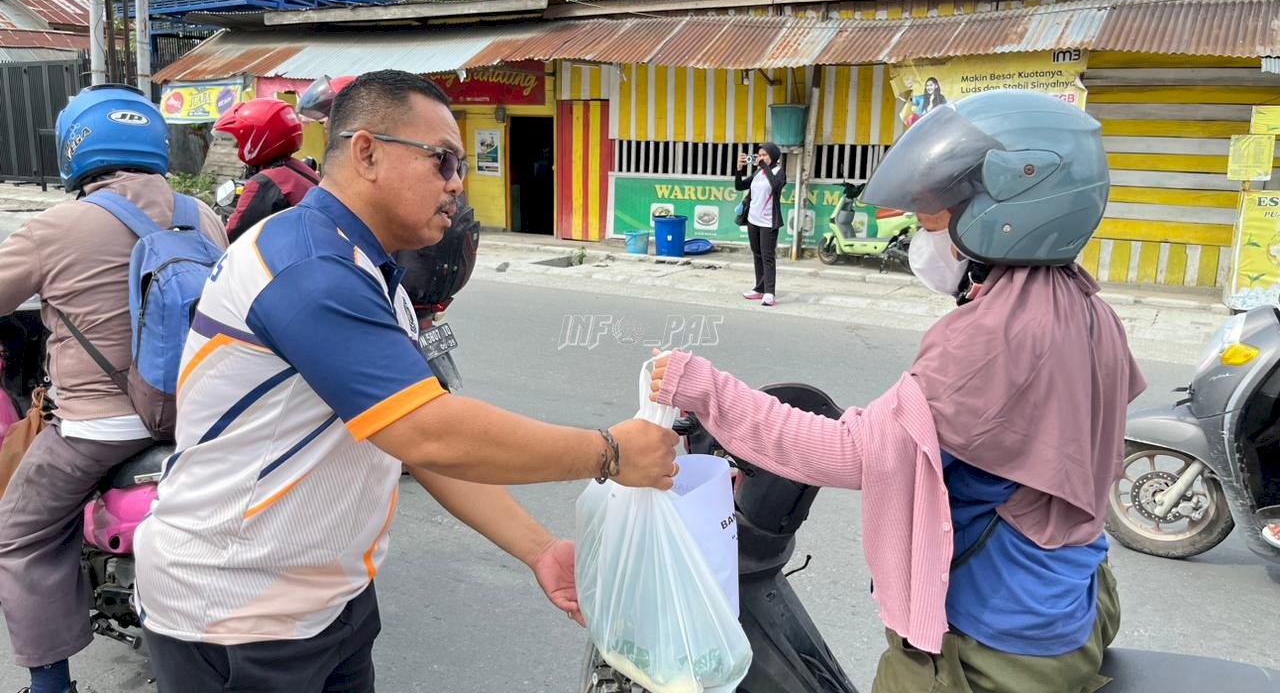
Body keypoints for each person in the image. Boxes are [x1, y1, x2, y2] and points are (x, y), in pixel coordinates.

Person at [132, 70, 679, 693]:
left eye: (463, 168)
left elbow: (408, 433)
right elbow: (430, 435)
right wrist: (608, 452)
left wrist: (538, 548)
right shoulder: (309, 265)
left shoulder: (366, 269)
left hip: (327, 603)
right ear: (366, 152)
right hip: (236, 614)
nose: (456, 186)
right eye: (443, 161)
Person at [650, 90, 1145, 693]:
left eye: (940, 210)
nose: (925, 226)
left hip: (995, 641)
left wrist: (705, 390)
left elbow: (848, 452)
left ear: (1009, 205)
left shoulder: (990, 337)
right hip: (1072, 600)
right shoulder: (1083, 306)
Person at [0, 84, 228, 693]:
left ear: (76, 147)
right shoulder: (201, 215)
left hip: (99, 429)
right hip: (201, 416)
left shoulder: (54, 227)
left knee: (21, 534)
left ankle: (51, 685)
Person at [214, 97, 320, 242]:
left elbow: (230, 236)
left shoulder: (265, 182)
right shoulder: (299, 168)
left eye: (238, 142)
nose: (238, 147)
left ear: (256, 137)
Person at [735, 142, 786, 307]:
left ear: (773, 156)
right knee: (757, 254)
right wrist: (739, 169)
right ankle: (759, 289)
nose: (761, 158)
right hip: (753, 220)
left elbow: (775, 186)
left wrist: (764, 166)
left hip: (768, 222)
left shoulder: (779, 172)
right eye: (760, 155)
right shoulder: (758, 172)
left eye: (765, 155)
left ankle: (770, 293)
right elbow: (740, 186)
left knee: (768, 257)